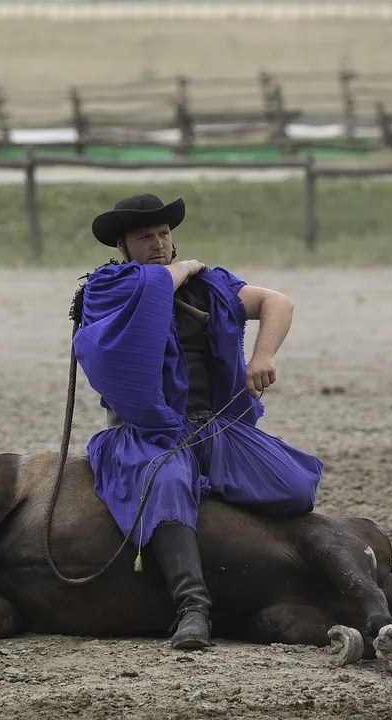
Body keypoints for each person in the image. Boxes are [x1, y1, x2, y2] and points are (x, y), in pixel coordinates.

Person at [72, 193, 323, 651]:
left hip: (215, 426)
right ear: (123, 246)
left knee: (294, 486)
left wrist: (262, 354)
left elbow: (277, 301)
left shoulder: (210, 286)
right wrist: (184, 268)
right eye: (144, 236)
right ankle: (192, 605)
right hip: (149, 432)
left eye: (164, 234)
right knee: (165, 485)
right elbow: (150, 291)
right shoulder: (108, 286)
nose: (158, 242)